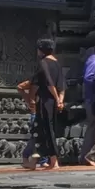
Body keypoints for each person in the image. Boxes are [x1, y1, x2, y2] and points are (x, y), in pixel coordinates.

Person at [21, 37, 63, 171]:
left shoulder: (43, 63)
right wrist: (60, 100)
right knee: (44, 129)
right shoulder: (57, 63)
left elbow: (49, 83)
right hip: (54, 102)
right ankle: (36, 161)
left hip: (45, 101)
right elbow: (62, 85)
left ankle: (53, 161)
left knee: (44, 130)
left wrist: (56, 98)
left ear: (41, 50)